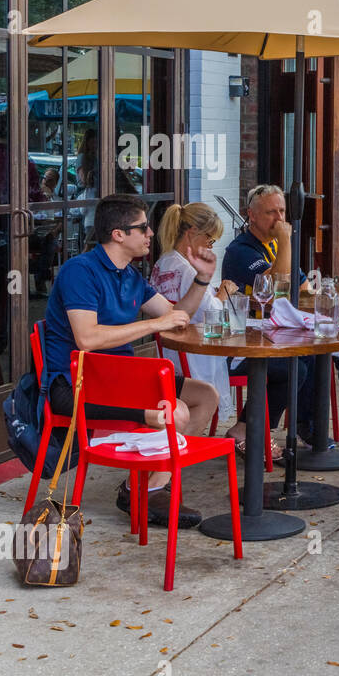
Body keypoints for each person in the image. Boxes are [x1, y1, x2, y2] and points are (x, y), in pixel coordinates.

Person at [41, 194, 220, 529]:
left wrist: (202, 278)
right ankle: (146, 493)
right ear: (118, 234)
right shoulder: (80, 272)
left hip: (121, 378)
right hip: (78, 384)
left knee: (206, 396)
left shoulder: (130, 275)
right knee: (175, 412)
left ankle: (146, 488)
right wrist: (152, 324)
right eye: (143, 228)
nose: (151, 233)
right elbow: (88, 338)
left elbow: (176, 316)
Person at [222, 184, 339, 448]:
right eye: (271, 212)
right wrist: (285, 242)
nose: (280, 219)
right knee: (309, 355)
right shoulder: (241, 251)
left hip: (285, 329)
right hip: (254, 337)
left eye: (282, 210)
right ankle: (309, 429)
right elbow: (276, 289)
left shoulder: (278, 247)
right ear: (252, 215)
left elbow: (304, 291)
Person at [149, 202, 258, 448]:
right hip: (197, 358)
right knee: (278, 369)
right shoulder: (188, 270)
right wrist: (223, 292)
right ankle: (247, 433)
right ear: (192, 233)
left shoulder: (163, 263)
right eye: (210, 240)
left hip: (172, 356)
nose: (211, 247)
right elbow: (211, 314)